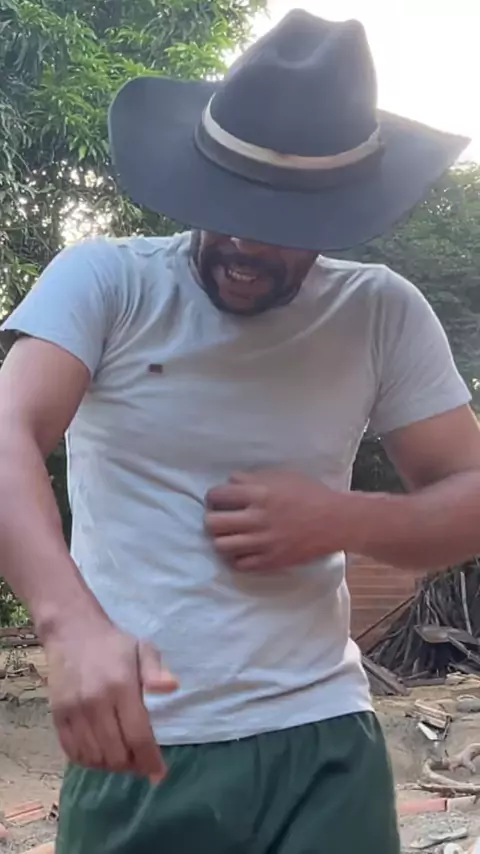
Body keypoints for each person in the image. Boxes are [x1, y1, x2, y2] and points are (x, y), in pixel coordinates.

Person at [0, 9, 477, 854]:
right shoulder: (106, 284)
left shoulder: (379, 311)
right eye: (226, 205)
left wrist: (343, 519)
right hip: (143, 746)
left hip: (323, 742)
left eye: (282, 222)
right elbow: (8, 432)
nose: (244, 242)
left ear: (340, 213)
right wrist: (68, 624)